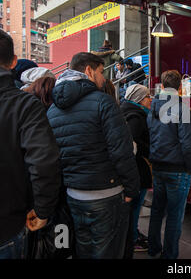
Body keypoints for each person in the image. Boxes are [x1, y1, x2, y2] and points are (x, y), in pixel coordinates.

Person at [47, 52, 140, 259]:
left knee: (83, 251)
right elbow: (122, 151)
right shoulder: (104, 103)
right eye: (100, 72)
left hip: (74, 195)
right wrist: (132, 189)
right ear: (88, 71)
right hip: (106, 196)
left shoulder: (53, 110)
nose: (103, 78)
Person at [0, 30, 61, 259]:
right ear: (14, 61)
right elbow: (44, 162)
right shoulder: (25, 105)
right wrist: (43, 210)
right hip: (8, 227)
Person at [147, 70, 191, 259]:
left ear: (161, 86)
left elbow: (152, 135)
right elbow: (187, 143)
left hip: (158, 166)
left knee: (157, 211)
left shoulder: (153, 107)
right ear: (180, 87)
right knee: (175, 216)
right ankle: (169, 256)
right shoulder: (182, 107)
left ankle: (153, 249)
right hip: (178, 169)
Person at [120, 84, 153, 256]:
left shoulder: (126, 111)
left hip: (132, 169)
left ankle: (132, 235)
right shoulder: (136, 117)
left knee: (133, 208)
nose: (150, 99)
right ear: (140, 99)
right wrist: (149, 149)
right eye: (148, 96)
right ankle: (132, 239)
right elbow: (132, 144)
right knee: (134, 208)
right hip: (137, 170)